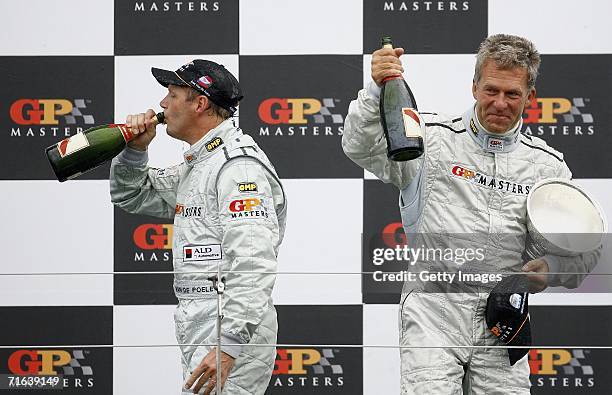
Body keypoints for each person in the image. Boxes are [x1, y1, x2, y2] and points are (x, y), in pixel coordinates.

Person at [342, 34, 599, 394]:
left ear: (530, 97)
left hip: (503, 320)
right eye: (491, 90)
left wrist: (553, 270)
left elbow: (588, 250)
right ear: (474, 85)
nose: (500, 103)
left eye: (512, 94)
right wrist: (375, 90)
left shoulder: (547, 166)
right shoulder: (430, 137)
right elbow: (360, 146)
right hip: (434, 312)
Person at [110, 59, 287, 394]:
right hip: (208, 325)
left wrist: (228, 344)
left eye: (173, 94)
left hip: (227, 329)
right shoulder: (203, 164)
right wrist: (135, 150)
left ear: (200, 103)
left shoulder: (236, 169)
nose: (162, 104)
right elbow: (131, 194)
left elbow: (253, 262)